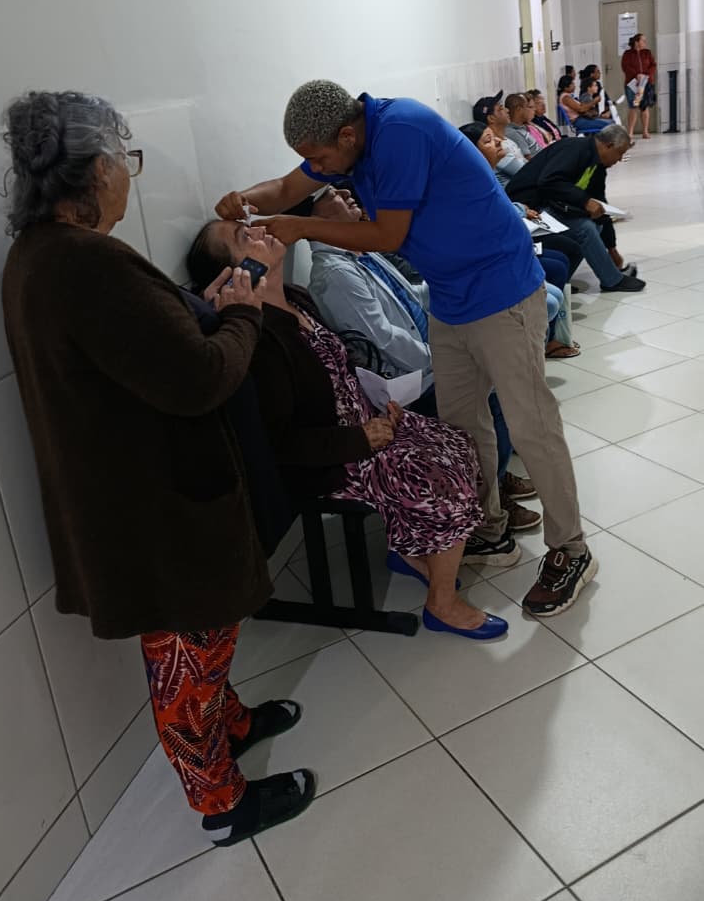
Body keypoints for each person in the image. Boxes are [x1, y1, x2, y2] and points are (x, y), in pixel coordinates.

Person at [0, 90, 315, 849]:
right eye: (127, 161)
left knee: (204, 644)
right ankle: (221, 803)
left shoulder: (42, 255)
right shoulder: (85, 264)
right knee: (185, 654)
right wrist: (242, 313)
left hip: (133, 493)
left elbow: (140, 352)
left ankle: (231, 726)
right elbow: (198, 379)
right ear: (95, 171)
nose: (129, 178)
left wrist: (202, 310)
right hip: (152, 509)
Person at [215, 81, 598, 617]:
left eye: (319, 158)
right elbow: (283, 187)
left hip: (501, 291)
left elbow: (387, 236)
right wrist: (244, 200)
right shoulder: (348, 143)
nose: (316, 169)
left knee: (531, 421)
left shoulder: (402, 131)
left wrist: (301, 226)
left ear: (346, 135)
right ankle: (488, 529)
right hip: (451, 299)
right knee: (462, 425)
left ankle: (571, 550)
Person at [188, 216, 507, 640]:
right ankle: (442, 604)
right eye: (245, 236)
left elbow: (337, 371)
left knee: (456, 441)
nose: (262, 230)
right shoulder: (258, 336)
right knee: (439, 474)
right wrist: (360, 438)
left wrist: (379, 402)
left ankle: (410, 549)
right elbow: (279, 443)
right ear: (236, 273)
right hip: (334, 457)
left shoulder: (295, 299)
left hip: (363, 426)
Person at [303, 185, 542, 527]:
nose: (345, 192)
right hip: (408, 381)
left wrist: (459, 280)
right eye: (331, 195)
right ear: (312, 219)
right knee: (489, 399)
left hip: (428, 351)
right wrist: (438, 359)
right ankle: (486, 508)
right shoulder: (335, 274)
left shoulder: (360, 250)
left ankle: (494, 480)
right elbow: (384, 338)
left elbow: (411, 296)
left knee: (495, 378)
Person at [459, 125, 579, 358]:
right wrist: (520, 212)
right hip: (496, 257)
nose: (498, 142)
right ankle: (542, 342)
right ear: (471, 150)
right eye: (488, 140)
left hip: (510, 246)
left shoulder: (486, 175)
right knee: (556, 266)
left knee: (562, 257)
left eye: (495, 138)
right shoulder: (472, 183)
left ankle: (548, 338)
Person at [506, 125, 647, 294]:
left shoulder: (597, 166)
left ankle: (559, 281)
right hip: (527, 207)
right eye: (620, 153)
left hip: (549, 203)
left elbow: (601, 205)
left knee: (596, 224)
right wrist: (585, 201)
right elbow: (549, 181)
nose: (619, 159)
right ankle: (612, 281)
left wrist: (612, 248)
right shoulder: (575, 149)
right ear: (608, 146)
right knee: (584, 228)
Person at [472, 94, 527, 184]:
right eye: (501, 109)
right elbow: (527, 174)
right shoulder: (496, 148)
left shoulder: (507, 140)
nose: (507, 110)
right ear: (491, 118)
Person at [621, 34, 657, 140]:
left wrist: (646, 75)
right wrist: (636, 75)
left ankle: (645, 131)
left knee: (644, 107)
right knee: (633, 106)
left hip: (646, 83)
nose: (645, 43)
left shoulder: (647, 53)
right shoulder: (627, 54)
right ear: (636, 42)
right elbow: (625, 67)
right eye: (643, 40)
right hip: (632, 84)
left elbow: (653, 65)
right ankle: (630, 132)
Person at [505, 93, 540, 158]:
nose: (528, 110)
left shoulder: (522, 128)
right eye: (526, 107)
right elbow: (529, 159)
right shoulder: (513, 133)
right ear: (519, 109)